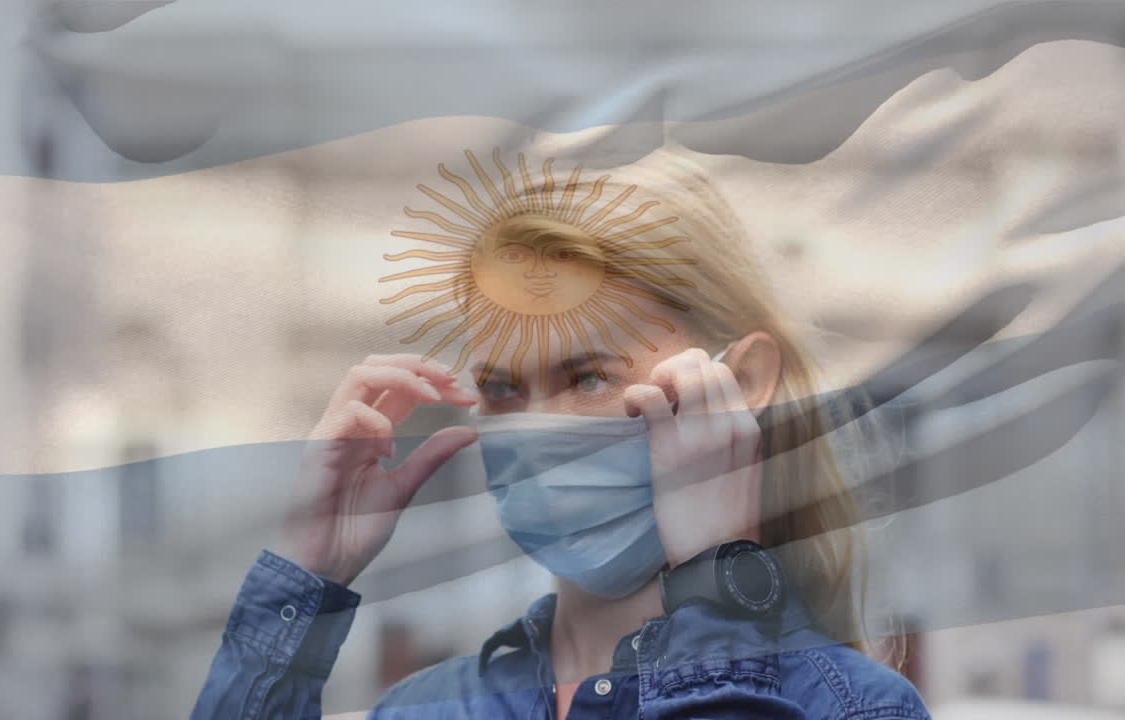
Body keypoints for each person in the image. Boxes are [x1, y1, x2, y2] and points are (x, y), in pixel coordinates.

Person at [189, 144, 932, 719]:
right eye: (501, 388)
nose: (536, 431)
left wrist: (715, 587)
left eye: (588, 377)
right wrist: (302, 582)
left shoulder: (851, 707)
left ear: (740, 384)